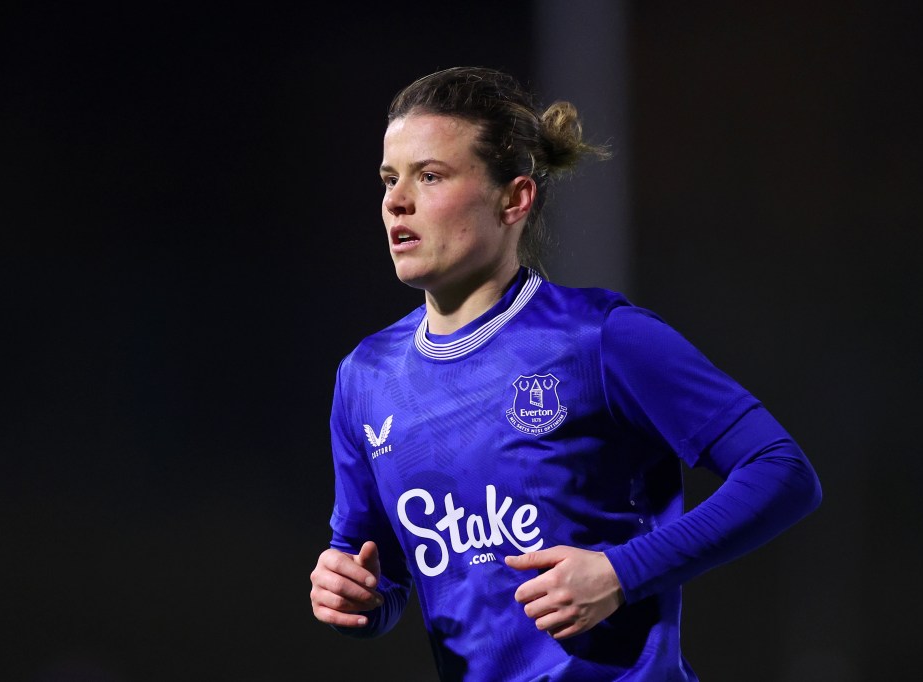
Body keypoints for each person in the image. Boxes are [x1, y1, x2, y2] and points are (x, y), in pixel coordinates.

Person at [309, 65, 822, 681]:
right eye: (390, 178)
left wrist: (621, 572)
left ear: (514, 199)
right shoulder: (366, 377)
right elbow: (382, 571)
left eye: (431, 175)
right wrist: (356, 596)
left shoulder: (599, 338)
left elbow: (781, 471)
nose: (397, 200)